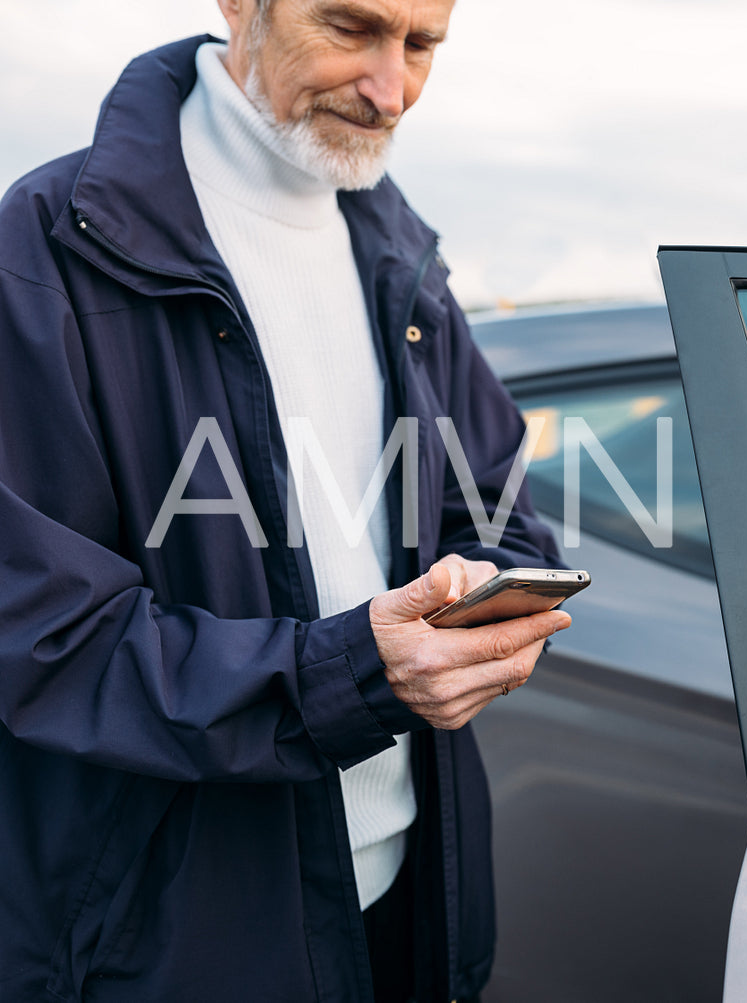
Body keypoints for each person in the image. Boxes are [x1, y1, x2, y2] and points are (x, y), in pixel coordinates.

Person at [0, 1, 568, 1000]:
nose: (390, 89)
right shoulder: (43, 251)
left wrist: (482, 606)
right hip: (165, 941)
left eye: (422, 45)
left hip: (409, 897)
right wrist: (348, 673)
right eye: (350, 28)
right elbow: (48, 640)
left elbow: (493, 504)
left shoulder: (401, 253)